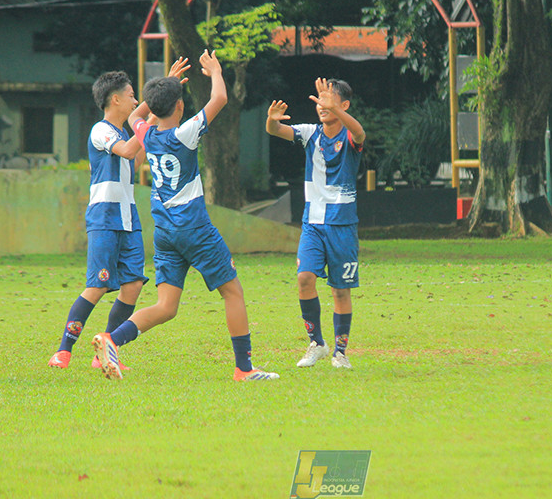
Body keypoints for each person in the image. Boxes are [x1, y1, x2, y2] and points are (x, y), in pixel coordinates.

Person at [91, 50, 279, 382]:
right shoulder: (185, 133)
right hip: (193, 228)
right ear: (180, 106)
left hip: (164, 231)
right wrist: (216, 70)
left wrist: (160, 90)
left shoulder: (145, 134)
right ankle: (244, 369)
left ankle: (112, 339)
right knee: (232, 291)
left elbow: (137, 113)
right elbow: (219, 97)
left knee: (167, 307)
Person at [48, 70, 148, 370]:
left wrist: (153, 112)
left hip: (129, 218)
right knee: (98, 285)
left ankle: (103, 353)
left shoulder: (123, 135)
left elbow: (135, 159)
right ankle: (63, 351)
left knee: (132, 286)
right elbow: (130, 149)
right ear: (115, 99)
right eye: (131, 95)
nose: (135, 100)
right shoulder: (101, 131)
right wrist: (149, 116)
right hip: (104, 218)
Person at [265, 77, 365, 370]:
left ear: (343, 105)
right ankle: (317, 343)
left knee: (340, 290)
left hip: (342, 225)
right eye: (320, 99)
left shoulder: (348, 136)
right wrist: (271, 121)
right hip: (313, 224)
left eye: (329, 100)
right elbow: (275, 130)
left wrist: (339, 111)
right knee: (304, 278)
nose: (322, 105)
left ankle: (340, 351)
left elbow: (359, 132)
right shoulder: (311, 134)